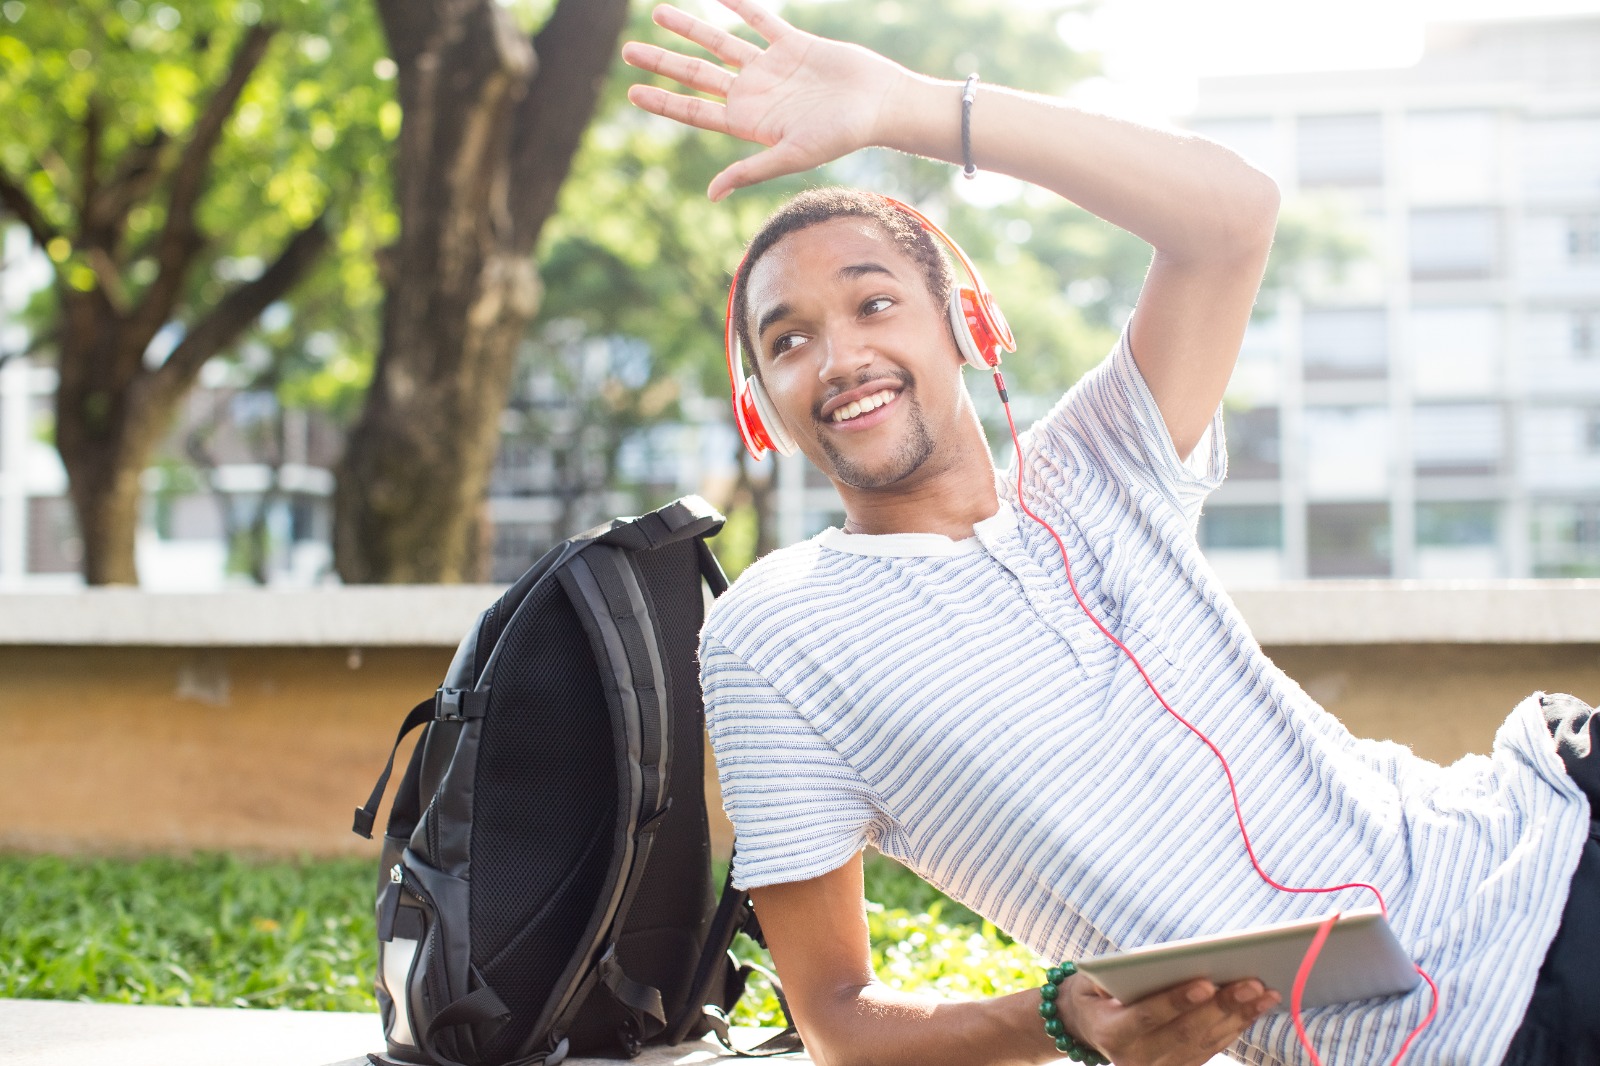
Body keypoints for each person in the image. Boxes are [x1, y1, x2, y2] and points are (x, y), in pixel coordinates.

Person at [621, 3, 1599, 1064]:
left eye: (874, 303)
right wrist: (1056, 1015)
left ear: (968, 325)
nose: (840, 356)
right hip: (1466, 1030)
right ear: (762, 405)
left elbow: (1232, 216)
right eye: (788, 341)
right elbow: (836, 1021)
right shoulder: (772, 636)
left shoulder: (1098, 457)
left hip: (1548, 818)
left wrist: (904, 106)